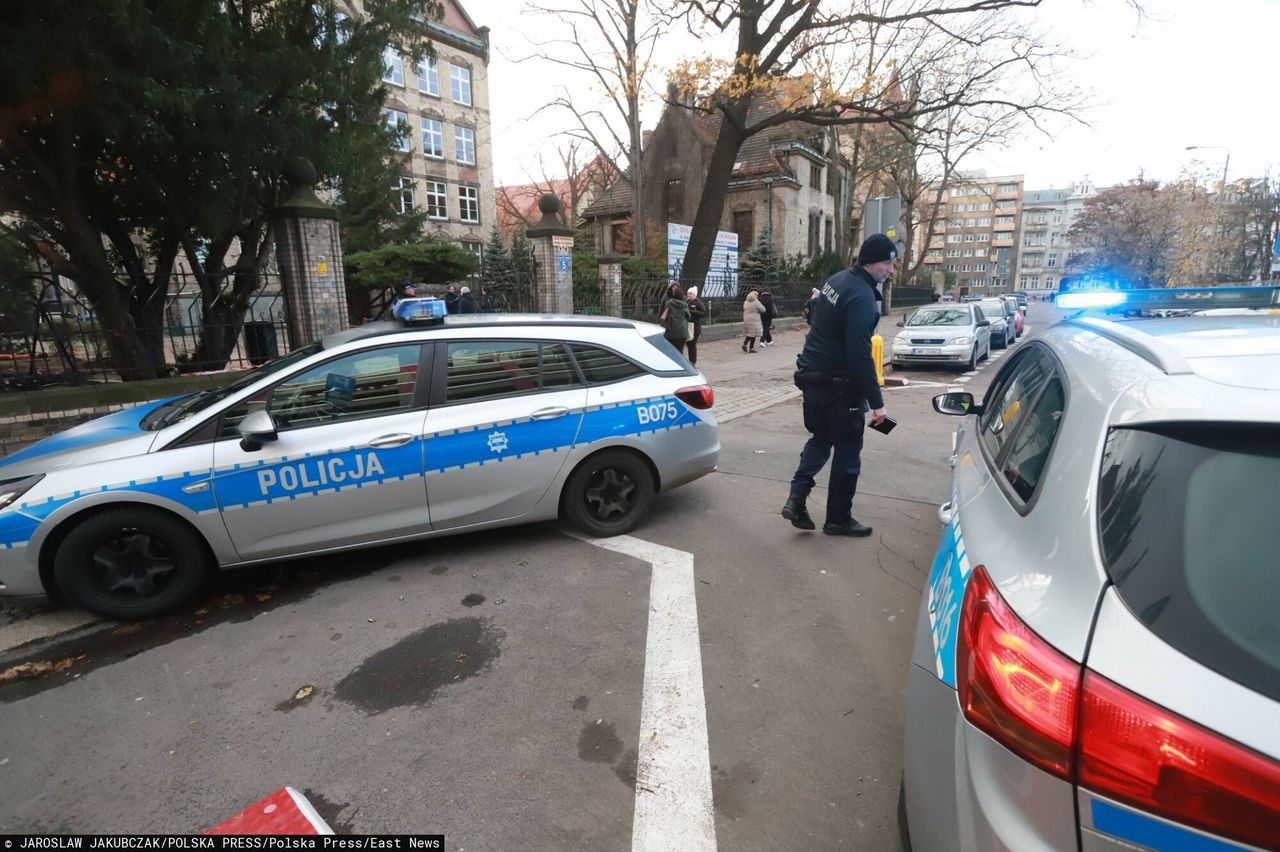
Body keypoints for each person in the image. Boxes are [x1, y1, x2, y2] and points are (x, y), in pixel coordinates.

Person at [781, 234, 895, 537]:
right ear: (872, 262)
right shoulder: (862, 297)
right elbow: (860, 355)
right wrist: (877, 401)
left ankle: (796, 498)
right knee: (847, 452)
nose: (891, 270)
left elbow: (816, 316)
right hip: (840, 387)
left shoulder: (837, 280)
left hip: (811, 376)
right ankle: (838, 520)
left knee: (820, 438)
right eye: (888, 263)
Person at [659, 282, 691, 355]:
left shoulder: (669, 303)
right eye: (673, 287)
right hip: (682, 332)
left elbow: (663, 314)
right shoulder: (685, 304)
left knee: (670, 351)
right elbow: (688, 316)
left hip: (671, 331)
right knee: (680, 352)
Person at [685, 286, 707, 366]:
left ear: (694, 294)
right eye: (688, 293)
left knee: (692, 345)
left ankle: (692, 362)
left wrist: (694, 312)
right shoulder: (686, 302)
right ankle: (689, 362)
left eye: (690, 293)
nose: (688, 295)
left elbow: (703, 313)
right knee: (688, 344)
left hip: (695, 327)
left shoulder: (698, 303)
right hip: (687, 326)